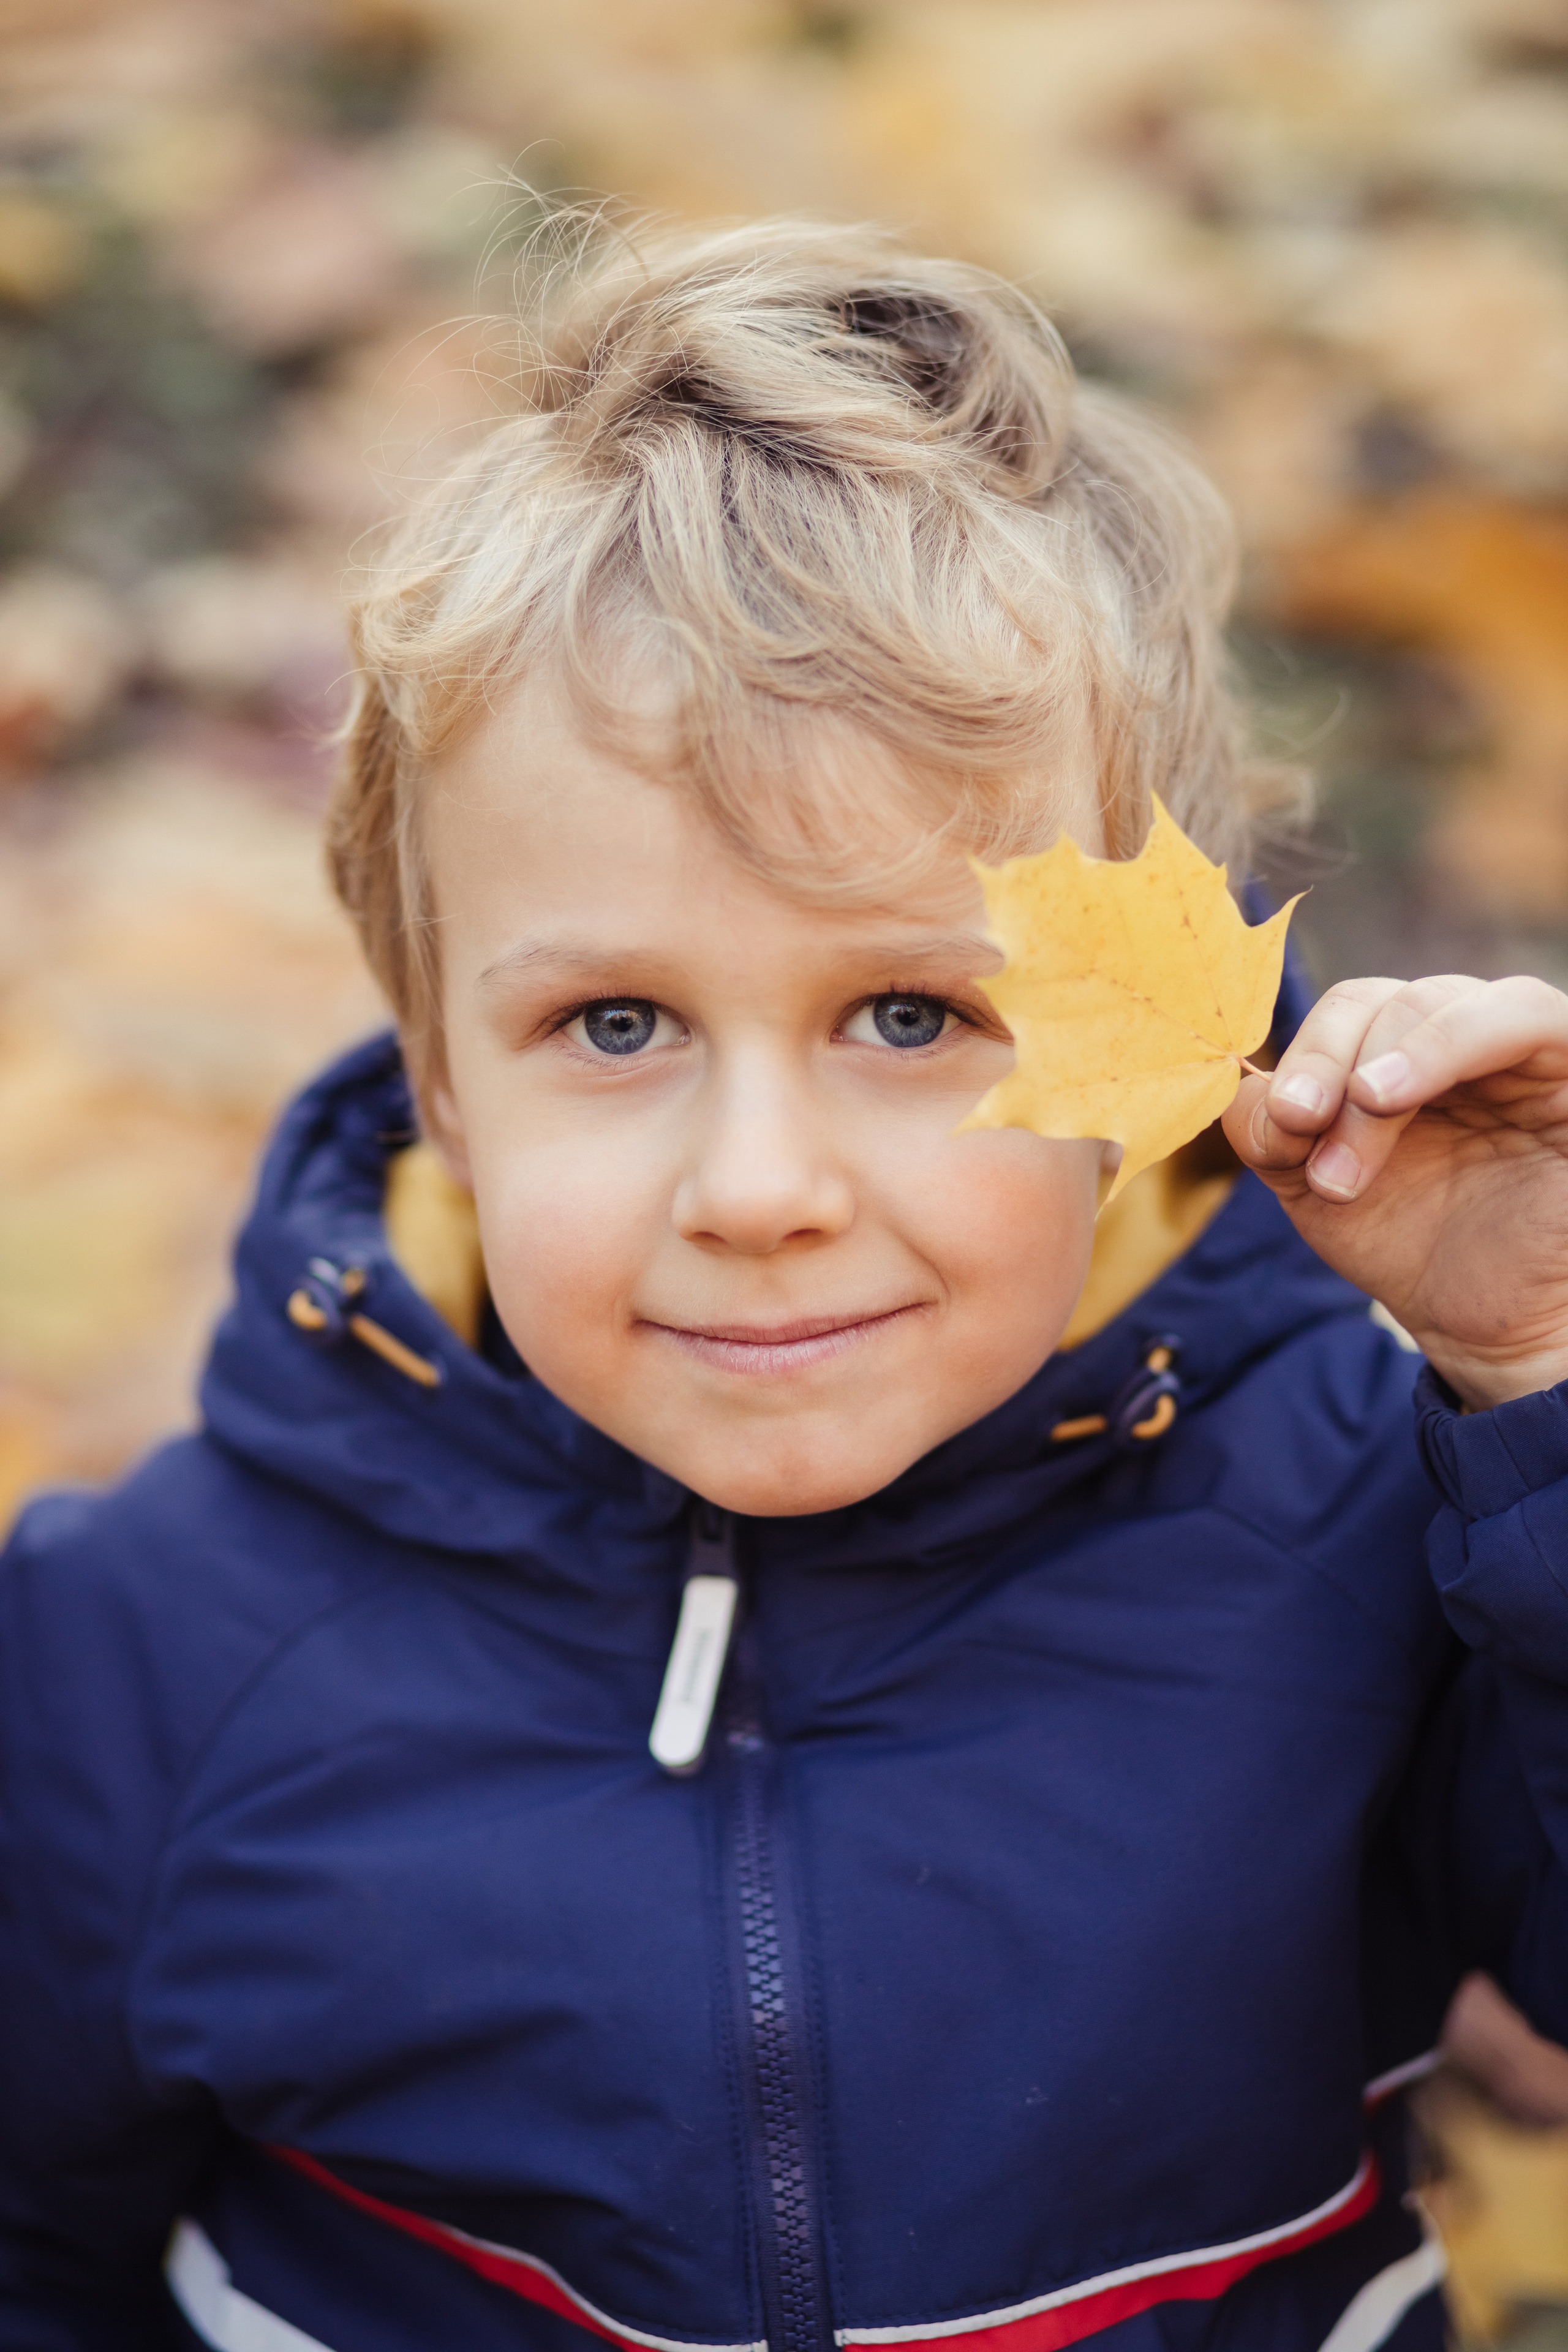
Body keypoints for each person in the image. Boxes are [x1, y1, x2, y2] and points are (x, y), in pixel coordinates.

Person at [4, 217, 1567, 2352]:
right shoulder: (139, 1658)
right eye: (619, 1028)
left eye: (914, 1017)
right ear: (442, 1073)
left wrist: (1536, 1370)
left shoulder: (1367, 1517)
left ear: (1154, 1047)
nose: (759, 1190)